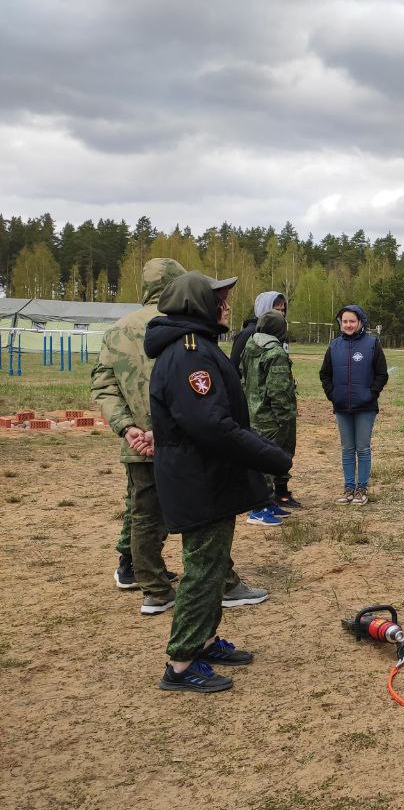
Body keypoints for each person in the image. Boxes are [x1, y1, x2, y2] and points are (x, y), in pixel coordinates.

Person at [145, 271, 292, 692]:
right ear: (197, 306)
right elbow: (210, 425)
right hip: (199, 480)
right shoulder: (190, 353)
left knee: (212, 565)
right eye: (220, 301)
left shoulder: (196, 347)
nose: (226, 307)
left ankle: (204, 642)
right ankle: (181, 663)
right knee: (203, 570)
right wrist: (270, 455)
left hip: (206, 478)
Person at [90, 257, 186, 612]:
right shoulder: (181, 325)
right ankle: (204, 580)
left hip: (136, 443)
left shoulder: (117, 330)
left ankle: (152, 586)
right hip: (179, 438)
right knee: (195, 508)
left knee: (143, 511)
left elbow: (103, 384)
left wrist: (127, 428)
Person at [319, 304, 388, 505]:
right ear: (340, 323)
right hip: (342, 407)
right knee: (347, 449)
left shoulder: (372, 344)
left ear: (360, 323)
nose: (348, 325)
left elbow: (382, 374)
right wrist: (333, 394)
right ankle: (349, 488)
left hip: (365, 407)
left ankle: (362, 489)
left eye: (352, 321)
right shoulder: (334, 346)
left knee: (363, 448)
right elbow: (325, 374)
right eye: (345, 321)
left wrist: (371, 393)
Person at [240, 309, 297, 526]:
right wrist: (285, 418)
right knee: (267, 463)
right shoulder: (276, 353)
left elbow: (243, 378)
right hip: (272, 418)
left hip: (254, 413)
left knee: (260, 459)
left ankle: (267, 501)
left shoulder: (250, 347)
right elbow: (279, 390)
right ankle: (258, 508)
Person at [229, 290, 288, 372]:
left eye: (283, 310)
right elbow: (233, 367)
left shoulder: (278, 334)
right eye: (277, 310)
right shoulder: (248, 334)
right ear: (265, 309)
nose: (282, 314)